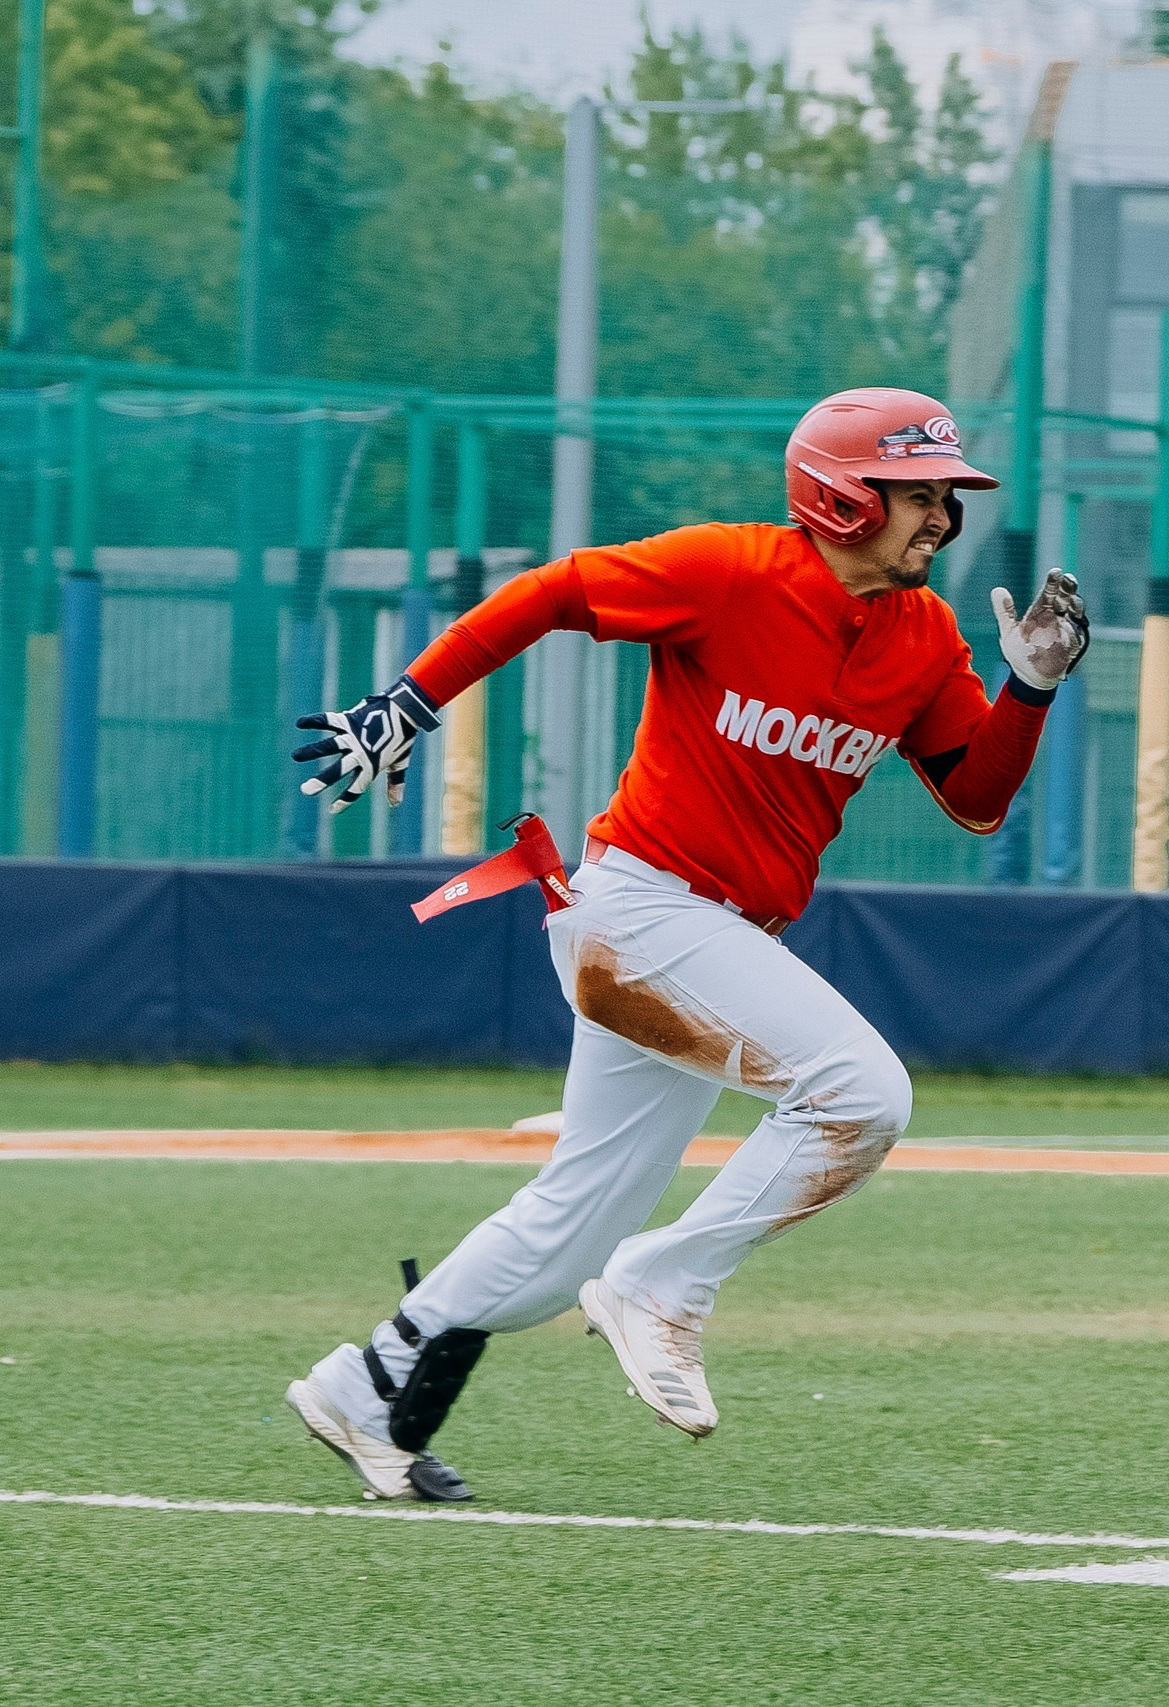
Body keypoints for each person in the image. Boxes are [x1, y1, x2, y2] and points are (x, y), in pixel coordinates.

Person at [280, 388, 1088, 1502]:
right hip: (640, 910)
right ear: (842, 498)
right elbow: (556, 590)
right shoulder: (733, 570)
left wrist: (1030, 688)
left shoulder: (923, 635)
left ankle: (368, 1391)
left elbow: (975, 799)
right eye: (921, 494)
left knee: (565, 1234)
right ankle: (663, 1285)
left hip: (702, 941)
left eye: (948, 496)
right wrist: (410, 701)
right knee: (861, 1094)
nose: (945, 517)